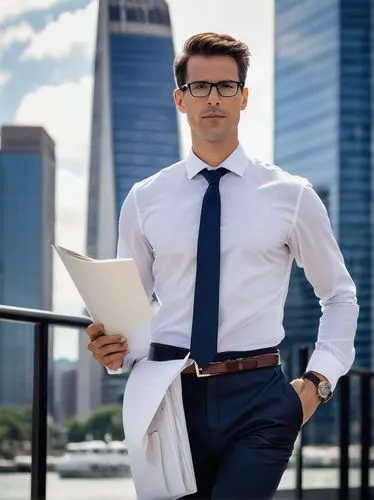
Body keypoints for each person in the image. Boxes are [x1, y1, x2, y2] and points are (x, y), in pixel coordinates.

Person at [86, 32, 358, 499]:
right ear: (180, 99)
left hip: (260, 400)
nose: (213, 97)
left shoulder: (291, 196)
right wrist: (113, 348)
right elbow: (131, 307)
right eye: (200, 87)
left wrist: (318, 381)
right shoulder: (144, 199)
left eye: (226, 86)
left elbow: (338, 294)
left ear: (244, 97)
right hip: (168, 397)